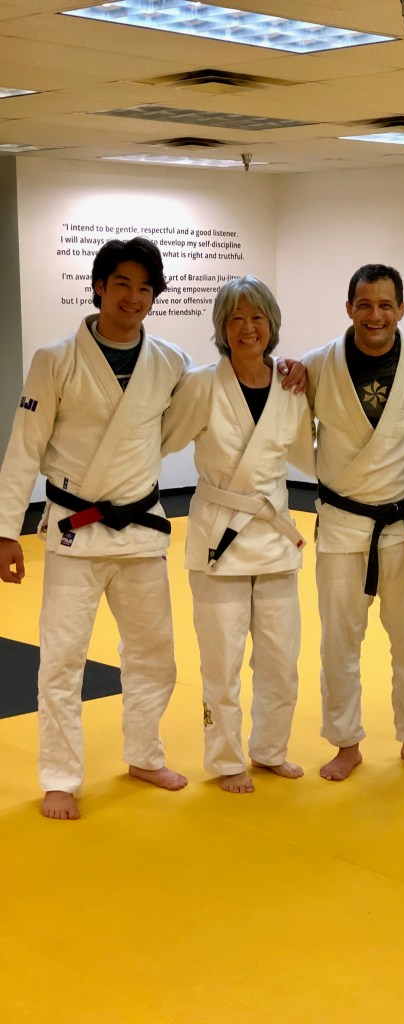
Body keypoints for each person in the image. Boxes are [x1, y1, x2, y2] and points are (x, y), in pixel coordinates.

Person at [0, 237, 192, 820]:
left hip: (140, 528)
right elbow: (24, 446)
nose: (134, 298)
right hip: (74, 531)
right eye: (122, 284)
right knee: (62, 659)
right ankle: (60, 777)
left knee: (155, 655)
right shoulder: (55, 359)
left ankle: (144, 754)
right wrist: (6, 530)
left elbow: (181, 425)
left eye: (145, 288)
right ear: (99, 287)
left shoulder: (171, 361)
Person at [161, 276, 314, 793]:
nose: (248, 328)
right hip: (218, 539)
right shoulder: (202, 385)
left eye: (257, 317)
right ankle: (226, 760)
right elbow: (161, 439)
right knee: (221, 663)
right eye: (236, 319)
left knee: (280, 660)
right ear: (222, 329)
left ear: (272, 324)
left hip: (273, 537)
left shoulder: (291, 386)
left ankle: (270, 749)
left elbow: (309, 455)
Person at [303, 264, 404, 781]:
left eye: (385, 305)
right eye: (364, 305)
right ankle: (346, 743)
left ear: (401, 309)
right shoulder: (316, 366)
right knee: (339, 640)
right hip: (342, 523)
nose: (375, 315)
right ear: (348, 308)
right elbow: (292, 431)